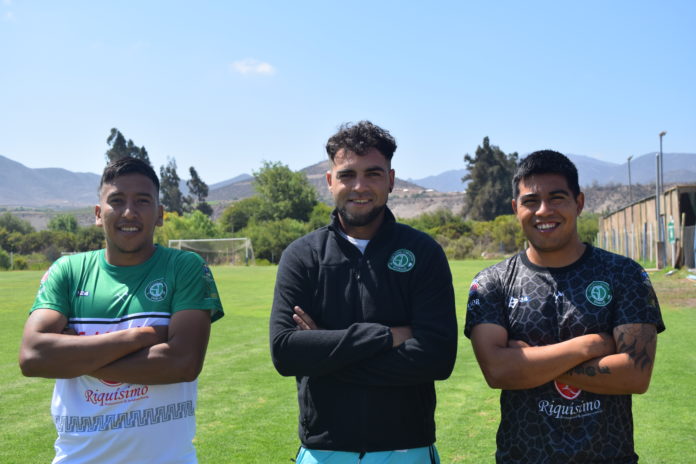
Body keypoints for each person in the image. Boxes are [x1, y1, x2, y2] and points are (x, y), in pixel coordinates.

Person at [269, 121, 458, 464]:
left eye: (373, 174)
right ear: (330, 182)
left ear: (391, 179)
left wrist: (325, 355)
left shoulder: (423, 252)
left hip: (406, 448)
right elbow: (285, 352)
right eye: (346, 175)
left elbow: (438, 357)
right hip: (323, 450)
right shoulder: (302, 255)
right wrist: (387, 336)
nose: (359, 186)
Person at [19, 156, 224, 464]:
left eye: (142, 201)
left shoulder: (185, 268)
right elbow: (33, 357)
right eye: (117, 201)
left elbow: (182, 362)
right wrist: (142, 336)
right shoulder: (68, 271)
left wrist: (73, 357)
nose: (129, 212)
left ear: (159, 214)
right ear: (99, 214)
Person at [465, 150, 665, 463]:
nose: (544, 210)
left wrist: (528, 362)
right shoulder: (493, 283)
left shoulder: (624, 274)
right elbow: (498, 371)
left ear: (579, 202)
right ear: (515, 208)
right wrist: (591, 345)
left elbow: (635, 376)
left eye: (557, 198)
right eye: (531, 201)